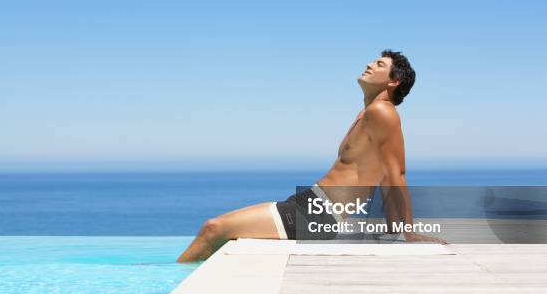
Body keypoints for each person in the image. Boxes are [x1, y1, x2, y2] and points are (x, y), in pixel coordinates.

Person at [177, 50, 445, 262]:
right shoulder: (366, 114)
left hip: (318, 214)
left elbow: (396, 174)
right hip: (310, 205)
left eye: (379, 64)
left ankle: (173, 286)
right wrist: (393, 229)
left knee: (213, 228)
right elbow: (385, 177)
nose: (369, 64)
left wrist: (406, 232)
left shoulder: (382, 113)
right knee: (222, 232)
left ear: (393, 81)